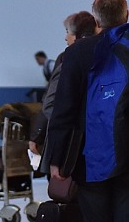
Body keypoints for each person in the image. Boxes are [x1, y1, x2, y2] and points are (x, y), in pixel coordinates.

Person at [46, 0, 129, 222]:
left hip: (90, 161)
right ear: (125, 14)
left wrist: (55, 161)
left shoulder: (78, 53)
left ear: (95, 19)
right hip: (128, 163)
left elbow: (62, 110)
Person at [29, 11, 97, 157]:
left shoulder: (66, 59)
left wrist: (38, 134)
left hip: (69, 141)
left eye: (67, 32)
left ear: (76, 33)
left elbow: (49, 101)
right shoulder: (104, 54)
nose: (65, 37)